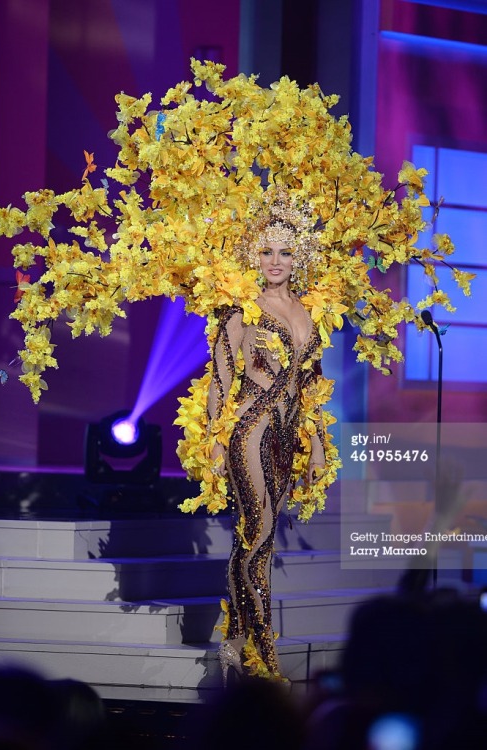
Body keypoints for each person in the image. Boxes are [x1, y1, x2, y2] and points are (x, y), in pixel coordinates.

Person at [206, 192, 328, 681]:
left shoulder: (310, 311)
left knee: (263, 540)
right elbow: (219, 380)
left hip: (286, 435)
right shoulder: (241, 311)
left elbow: (314, 389)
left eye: (283, 252)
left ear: (298, 258)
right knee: (255, 535)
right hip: (251, 429)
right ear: (253, 257)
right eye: (265, 252)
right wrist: (215, 442)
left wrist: (318, 446)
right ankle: (252, 647)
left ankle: (238, 641)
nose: (274, 262)